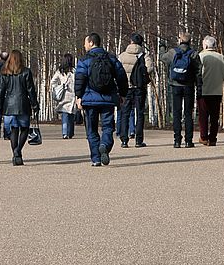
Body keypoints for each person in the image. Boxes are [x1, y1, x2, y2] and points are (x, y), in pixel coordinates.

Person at [75, 32, 128, 166]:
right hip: (108, 99)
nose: (84, 45)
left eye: (85, 42)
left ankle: (96, 158)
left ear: (91, 43)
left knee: (91, 130)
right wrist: (122, 94)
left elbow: (80, 79)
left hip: (89, 99)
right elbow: (121, 76)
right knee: (108, 127)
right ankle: (105, 144)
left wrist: (78, 96)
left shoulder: (84, 60)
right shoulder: (111, 58)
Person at [0, 49, 39, 166]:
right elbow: (31, 90)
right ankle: (18, 150)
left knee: (14, 130)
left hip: (9, 105)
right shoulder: (26, 72)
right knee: (24, 129)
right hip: (23, 103)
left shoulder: (5, 72)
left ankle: (15, 153)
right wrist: (35, 105)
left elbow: (1, 92)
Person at [160, 31, 201, 148]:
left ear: (180, 40)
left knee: (177, 113)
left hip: (175, 85)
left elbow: (162, 58)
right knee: (188, 113)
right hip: (188, 86)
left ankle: (177, 140)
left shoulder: (173, 52)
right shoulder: (193, 54)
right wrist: (198, 85)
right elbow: (199, 71)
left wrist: (162, 48)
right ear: (189, 41)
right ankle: (189, 141)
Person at [118, 32, 153, 148]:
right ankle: (138, 140)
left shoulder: (122, 55)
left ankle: (124, 140)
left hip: (126, 88)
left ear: (131, 42)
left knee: (125, 113)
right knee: (140, 113)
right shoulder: (144, 55)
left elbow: (117, 70)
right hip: (139, 87)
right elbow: (150, 69)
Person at [197, 35, 224, 146]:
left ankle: (204, 137)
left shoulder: (200, 56)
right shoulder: (221, 57)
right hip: (217, 91)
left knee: (203, 116)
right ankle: (213, 138)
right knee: (215, 116)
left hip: (203, 90)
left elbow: (197, 73)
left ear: (205, 45)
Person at [50, 53, 76, 139]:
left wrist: (57, 87)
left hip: (64, 95)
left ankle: (65, 133)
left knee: (66, 115)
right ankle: (69, 132)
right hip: (71, 95)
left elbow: (52, 82)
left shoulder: (60, 71)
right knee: (70, 114)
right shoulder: (74, 71)